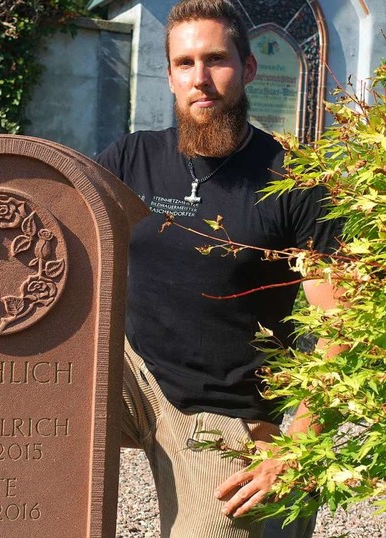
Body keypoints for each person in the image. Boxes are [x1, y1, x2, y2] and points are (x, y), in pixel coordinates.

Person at [95, 1, 342, 537]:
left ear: (248, 68)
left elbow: (340, 326)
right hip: (131, 372)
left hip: (222, 405)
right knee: (6, 400)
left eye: (216, 60)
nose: (200, 79)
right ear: (169, 75)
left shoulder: (295, 178)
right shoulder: (129, 158)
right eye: (184, 64)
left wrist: (299, 447)